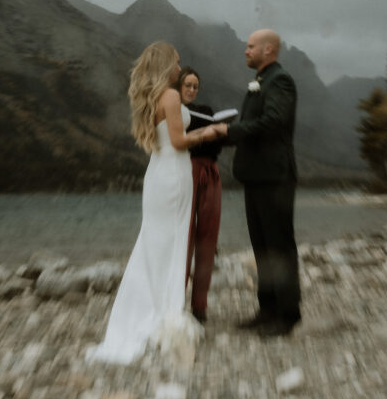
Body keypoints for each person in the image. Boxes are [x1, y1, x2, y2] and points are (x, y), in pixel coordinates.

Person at [87, 41, 218, 364]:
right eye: (175, 62)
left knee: (154, 245)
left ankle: (148, 310)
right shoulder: (171, 96)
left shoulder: (152, 97)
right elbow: (178, 140)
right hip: (173, 174)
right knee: (171, 246)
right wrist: (210, 132)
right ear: (164, 66)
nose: (179, 67)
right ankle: (165, 314)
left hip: (158, 174)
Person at [213, 29, 301, 337]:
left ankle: (288, 315)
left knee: (279, 245)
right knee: (262, 246)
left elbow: (274, 122)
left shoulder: (281, 81)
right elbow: (255, 125)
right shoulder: (261, 82)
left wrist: (231, 132)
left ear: (268, 49)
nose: (245, 51)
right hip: (256, 176)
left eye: (250, 47)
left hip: (275, 176)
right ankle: (267, 309)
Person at [178, 67, 224, 324]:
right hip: (186, 173)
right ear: (179, 86)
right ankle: (176, 301)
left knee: (208, 239)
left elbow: (218, 142)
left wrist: (214, 134)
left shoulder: (206, 111)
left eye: (195, 86)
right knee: (184, 239)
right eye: (188, 85)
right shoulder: (173, 110)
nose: (192, 90)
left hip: (211, 172)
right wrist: (207, 135)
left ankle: (200, 305)